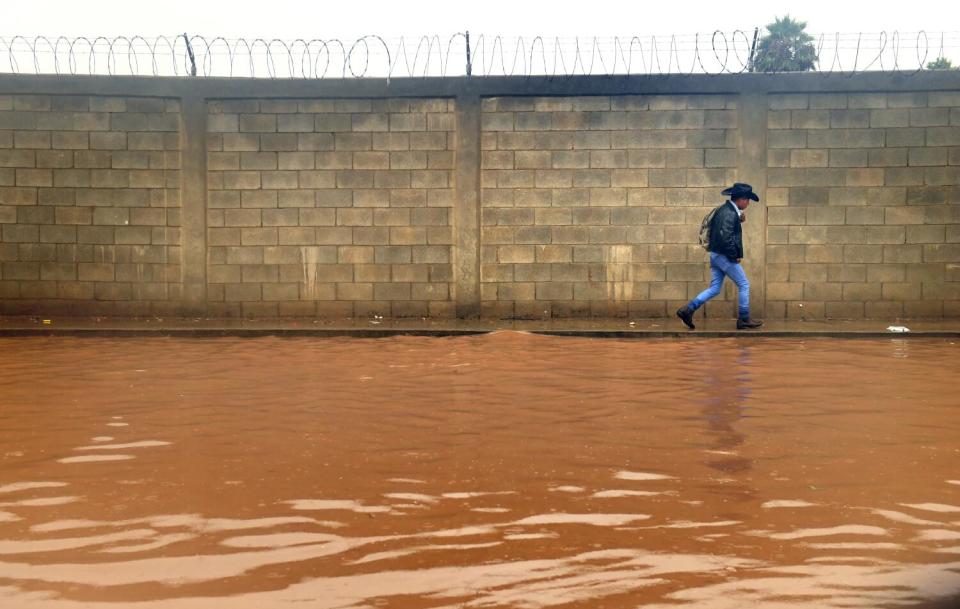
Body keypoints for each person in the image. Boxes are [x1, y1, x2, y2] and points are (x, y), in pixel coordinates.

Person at [677, 183, 763, 330]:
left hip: (715, 255)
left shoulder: (725, 210)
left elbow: (723, 229)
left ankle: (687, 310)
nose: (748, 203)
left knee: (715, 288)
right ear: (741, 199)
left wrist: (738, 218)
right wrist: (734, 255)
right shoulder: (730, 213)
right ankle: (743, 318)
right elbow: (726, 237)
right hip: (725, 256)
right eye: (747, 200)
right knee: (744, 284)